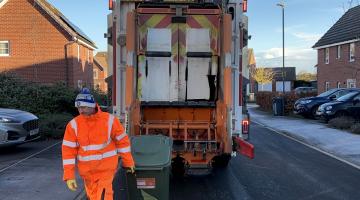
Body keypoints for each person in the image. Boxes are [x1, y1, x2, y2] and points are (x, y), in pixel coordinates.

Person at [62, 88, 135, 200]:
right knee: (93, 197)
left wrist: (128, 162)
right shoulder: (73, 125)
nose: (81, 111)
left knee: (104, 196)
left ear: (92, 105)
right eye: (78, 108)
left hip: (106, 171)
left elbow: (122, 142)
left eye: (83, 107)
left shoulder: (109, 120)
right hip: (88, 175)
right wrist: (69, 175)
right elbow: (68, 152)